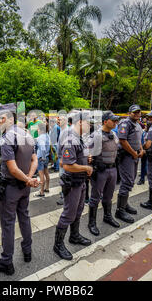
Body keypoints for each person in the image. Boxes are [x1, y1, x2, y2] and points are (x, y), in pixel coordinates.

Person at [0, 103, 39, 275]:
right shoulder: (26, 134)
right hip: (24, 186)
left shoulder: (7, 138)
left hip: (12, 187)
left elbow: (12, 168)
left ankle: (6, 261)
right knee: (24, 217)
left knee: (8, 224)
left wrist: (27, 179)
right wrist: (29, 179)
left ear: (7, 119)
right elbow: (34, 160)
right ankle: (27, 251)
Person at [54, 111, 93, 260]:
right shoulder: (71, 138)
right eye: (88, 122)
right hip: (72, 181)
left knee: (78, 210)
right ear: (80, 122)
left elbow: (76, 156)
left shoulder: (78, 137)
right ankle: (58, 245)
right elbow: (67, 165)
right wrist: (86, 168)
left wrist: (86, 158)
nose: (90, 125)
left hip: (81, 181)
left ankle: (74, 236)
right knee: (68, 214)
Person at [86, 111, 121, 236]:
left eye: (116, 120)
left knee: (108, 196)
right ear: (105, 121)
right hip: (100, 171)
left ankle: (107, 216)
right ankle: (91, 223)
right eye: (113, 120)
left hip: (112, 169)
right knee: (95, 198)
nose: (115, 122)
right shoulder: (96, 135)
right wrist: (90, 164)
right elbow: (86, 150)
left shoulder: (114, 134)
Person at [115, 105, 143, 223]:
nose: (137, 114)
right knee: (126, 182)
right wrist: (133, 153)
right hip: (127, 156)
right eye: (134, 112)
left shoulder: (137, 124)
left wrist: (140, 149)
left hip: (135, 155)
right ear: (129, 113)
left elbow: (138, 139)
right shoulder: (125, 123)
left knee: (131, 181)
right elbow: (122, 140)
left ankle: (125, 204)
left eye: (138, 112)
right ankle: (120, 210)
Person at [56, 113, 69, 205]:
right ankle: (64, 194)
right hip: (61, 157)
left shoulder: (67, 131)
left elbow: (67, 146)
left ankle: (64, 197)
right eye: (58, 119)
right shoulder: (62, 129)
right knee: (62, 177)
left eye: (60, 120)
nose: (58, 121)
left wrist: (62, 159)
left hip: (64, 158)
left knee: (64, 177)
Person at [35, 123, 51, 197]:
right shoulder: (47, 135)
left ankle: (41, 192)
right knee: (46, 173)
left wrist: (43, 157)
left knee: (41, 175)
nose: (37, 130)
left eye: (38, 128)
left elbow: (43, 148)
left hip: (41, 158)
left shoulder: (41, 137)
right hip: (46, 157)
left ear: (41, 129)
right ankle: (47, 188)